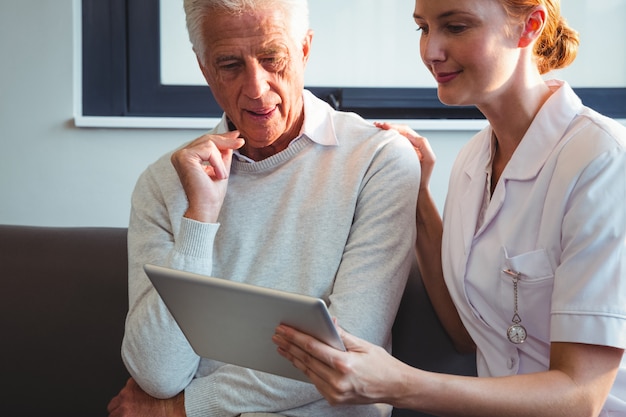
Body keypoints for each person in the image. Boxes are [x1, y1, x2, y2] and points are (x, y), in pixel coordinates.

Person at [273, 0, 626, 415]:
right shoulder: (473, 159)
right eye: (422, 28)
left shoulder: (601, 161)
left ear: (529, 27)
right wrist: (417, 194)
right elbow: (465, 334)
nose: (431, 51)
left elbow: (580, 397)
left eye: (455, 27)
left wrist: (396, 384)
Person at [106, 0, 421, 416]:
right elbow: (157, 373)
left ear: (305, 49)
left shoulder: (378, 160)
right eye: (230, 65)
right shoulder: (163, 183)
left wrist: (186, 408)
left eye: (273, 58)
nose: (256, 88)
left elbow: (348, 355)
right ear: (204, 69)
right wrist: (199, 219)